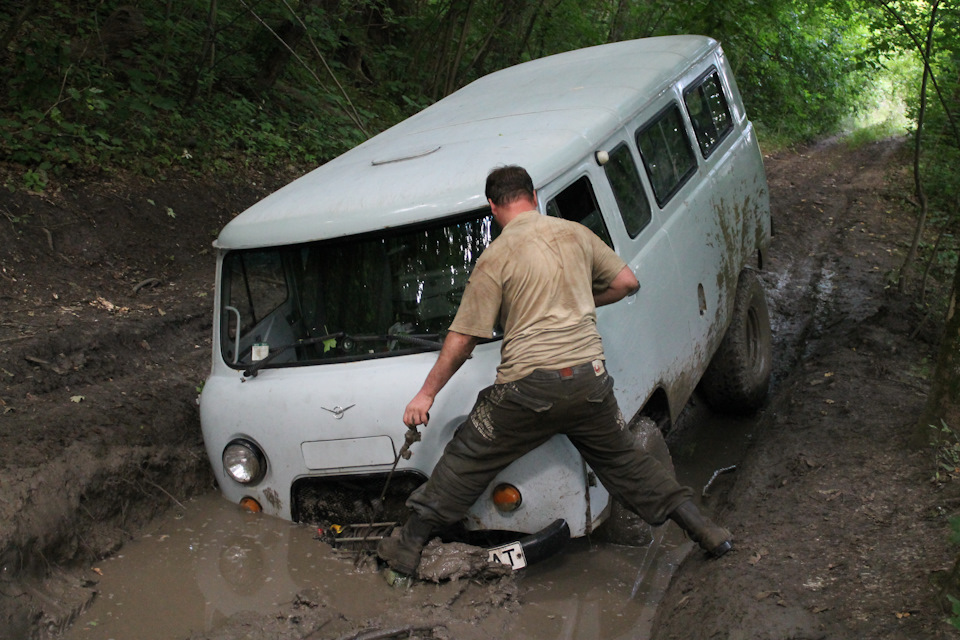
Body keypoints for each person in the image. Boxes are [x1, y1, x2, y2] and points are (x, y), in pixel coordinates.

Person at [377, 165, 731, 576]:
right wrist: (578, 301)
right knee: (628, 463)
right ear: (534, 196)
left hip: (527, 390)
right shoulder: (575, 234)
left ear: (493, 207)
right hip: (589, 382)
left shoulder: (496, 256)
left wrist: (426, 394)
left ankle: (408, 546)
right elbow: (627, 283)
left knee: (467, 457)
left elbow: (463, 338)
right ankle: (705, 529)